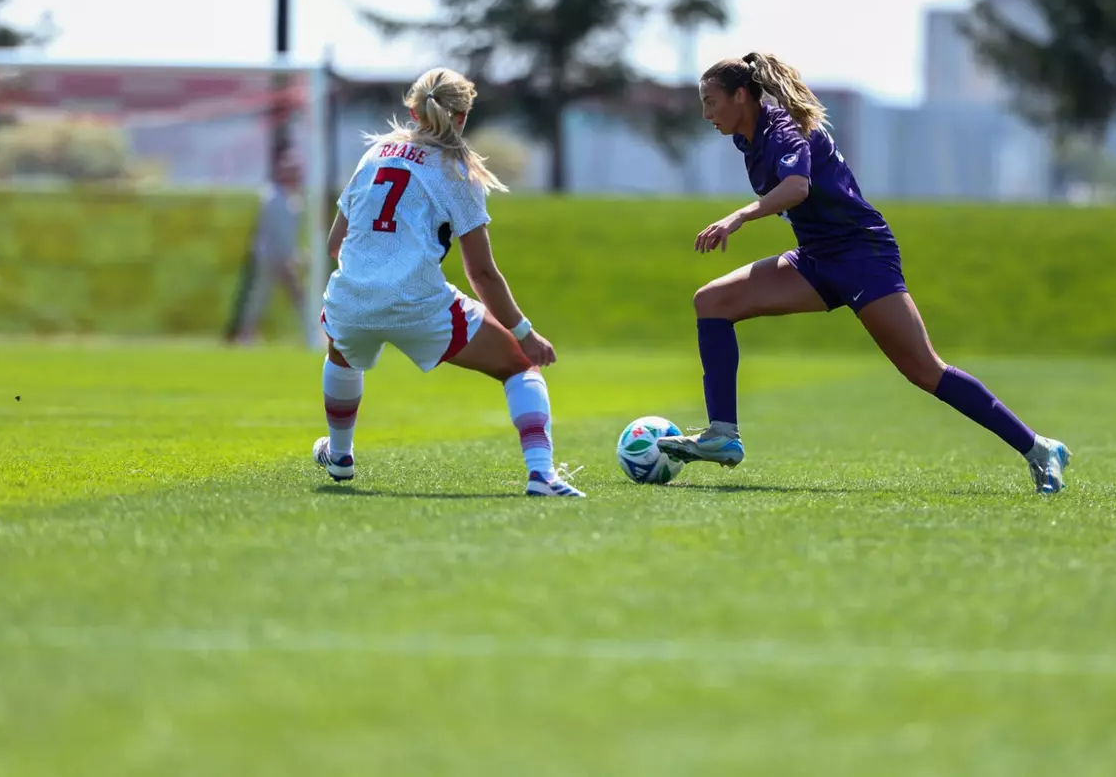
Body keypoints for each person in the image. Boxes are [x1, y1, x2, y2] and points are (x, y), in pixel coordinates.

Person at [656, 53, 1072, 494]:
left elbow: (797, 189)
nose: (706, 114)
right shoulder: (749, 137)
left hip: (861, 255)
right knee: (712, 301)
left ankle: (1040, 449)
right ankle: (723, 435)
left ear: (741, 96)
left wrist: (738, 217)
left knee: (924, 370)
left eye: (711, 101)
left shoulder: (783, 129)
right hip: (816, 257)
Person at [314, 67, 584, 497]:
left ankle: (341, 454)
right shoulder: (458, 171)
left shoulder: (375, 154)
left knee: (342, 348)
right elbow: (481, 273)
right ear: (462, 117)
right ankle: (541, 474)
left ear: (412, 108)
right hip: (418, 302)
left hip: (352, 299)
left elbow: (335, 244)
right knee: (520, 366)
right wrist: (524, 332)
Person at [232, 147, 317, 346]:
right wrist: (287, 258)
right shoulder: (273, 198)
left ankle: (246, 336)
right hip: (272, 257)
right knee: (265, 299)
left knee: (282, 298)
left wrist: (297, 254)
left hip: (282, 257)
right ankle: (246, 337)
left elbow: (290, 234)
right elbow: (275, 234)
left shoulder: (293, 199)